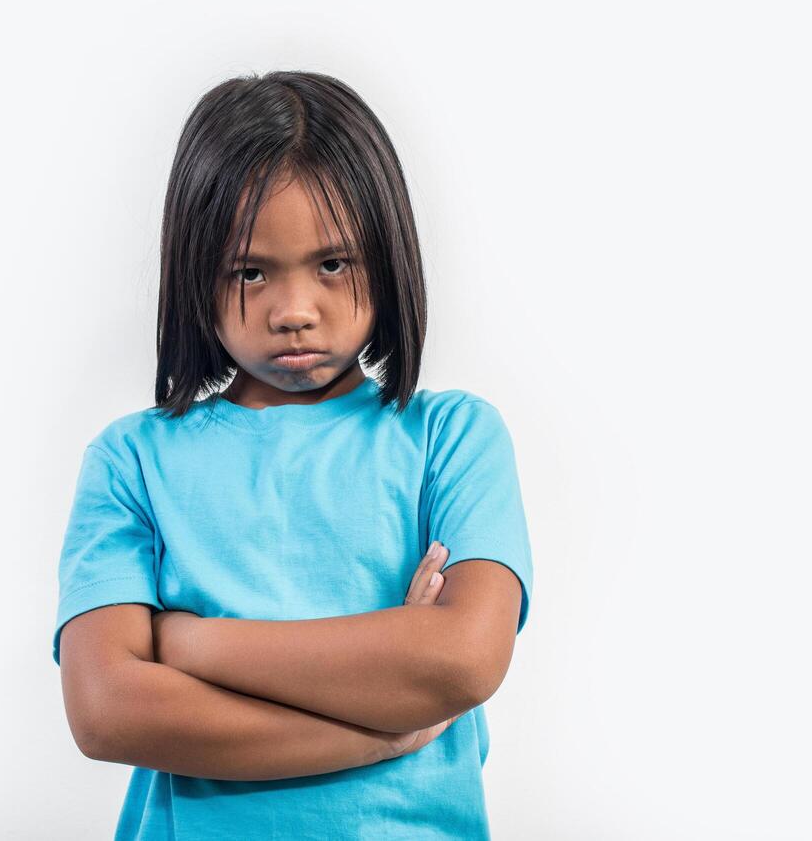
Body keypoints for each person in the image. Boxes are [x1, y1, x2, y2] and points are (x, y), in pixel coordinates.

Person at [52, 70, 534, 839]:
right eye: (249, 271)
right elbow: (107, 710)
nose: (294, 311)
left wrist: (186, 641)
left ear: (387, 254)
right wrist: (383, 727)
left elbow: (461, 661)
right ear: (194, 275)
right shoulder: (133, 460)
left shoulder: (449, 438)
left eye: (332, 264)